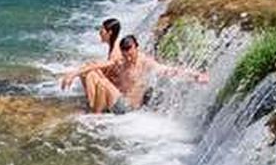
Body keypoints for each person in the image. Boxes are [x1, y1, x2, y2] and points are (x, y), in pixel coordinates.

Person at [60, 35, 207, 114]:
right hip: (118, 101)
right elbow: (97, 65)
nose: (128, 58)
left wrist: (195, 75)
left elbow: (169, 71)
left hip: (128, 108)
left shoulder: (145, 62)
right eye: (125, 54)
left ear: (136, 47)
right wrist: (73, 74)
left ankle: (94, 115)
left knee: (102, 83)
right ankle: (94, 108)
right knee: (90, 71)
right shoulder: (122, 61)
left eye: (130, 54)